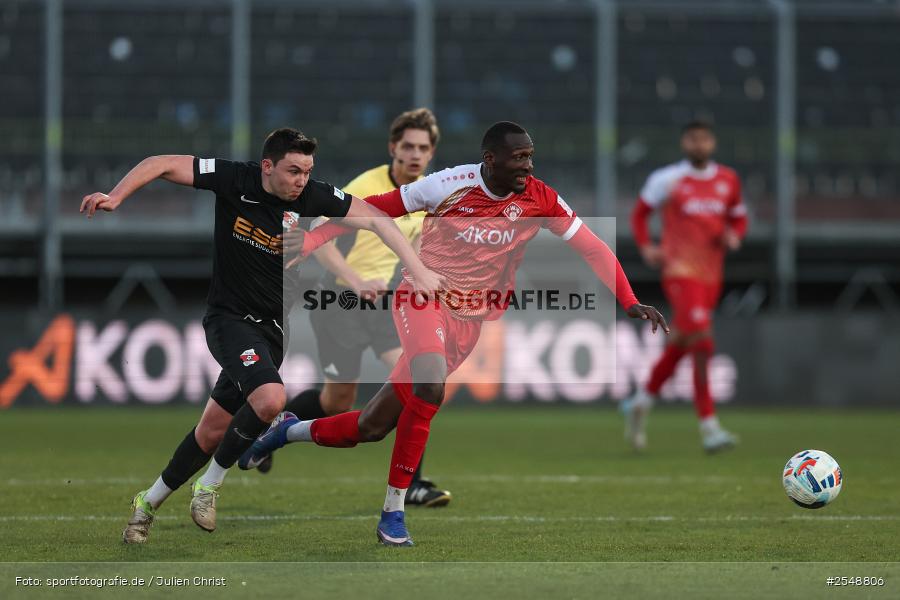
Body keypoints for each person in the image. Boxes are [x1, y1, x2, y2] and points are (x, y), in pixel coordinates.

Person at [241, 121, 668, 546]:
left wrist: (629, 300)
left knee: (370, 427)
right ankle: (393, 512)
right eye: (519, 157)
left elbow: (593, 246)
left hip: (470, 321)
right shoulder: (446, 185)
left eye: (530, 156)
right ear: (490, 160)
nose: (528, 165)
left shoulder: (541, 198)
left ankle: (287, 431)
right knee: (430, 386)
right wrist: (312, 244)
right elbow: (373, 211)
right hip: (421, 297)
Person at [79, 128, 441, 544]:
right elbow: (160, 163)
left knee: (212, 431)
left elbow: (378, 220)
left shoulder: (312, 197)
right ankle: (210, 485)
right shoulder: (234, 179)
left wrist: (419, 267)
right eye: (293, 171)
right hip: (229, 319)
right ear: (267, 167)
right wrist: (117, 195)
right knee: (271, 398)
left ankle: (146, 504)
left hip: (273, 329)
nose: (301, 181)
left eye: (307, 171)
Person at [244, 108, 453, 507]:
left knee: (418, 380)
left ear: (431, 154)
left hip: (383, 305)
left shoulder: (426, 193)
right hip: (340, 302)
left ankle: (412, 485)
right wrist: (356, 282)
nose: (414, 154)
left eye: (422, 148)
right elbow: (321, 239)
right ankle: (275, 428)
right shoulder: (368, 186)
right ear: (393, 147)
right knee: (336, 402)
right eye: (407, 146)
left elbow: (417, 246)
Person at [622, 120, 747, 453]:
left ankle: (641, 402)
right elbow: (639, 215)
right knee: (703, 344)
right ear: (684, 144)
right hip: (680, 270)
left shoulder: (728, 180)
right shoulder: (668, 180)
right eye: (693, 139)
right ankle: (709, 427)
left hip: (711, 275)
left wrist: (735, 235)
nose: (699, 145)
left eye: (704, 139)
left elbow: (738, 217)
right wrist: (647, 246)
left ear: (712, 143)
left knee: (680, 345)